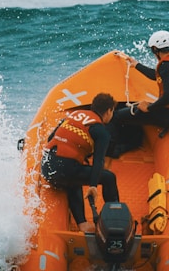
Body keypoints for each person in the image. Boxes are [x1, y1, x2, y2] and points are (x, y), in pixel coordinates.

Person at [41, 92, 119, 232]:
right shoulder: (102, 131)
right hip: (64, 172)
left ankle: (82, 223)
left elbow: (50, 139)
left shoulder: (74, 114)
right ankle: (114, 219)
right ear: (109, 111)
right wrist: (93, 186)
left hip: (47, 168)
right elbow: (98, 161)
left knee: (74, 176)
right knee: (109, 178)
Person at [115, 30, 169, 133]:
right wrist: (136, 65)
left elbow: (168, 97)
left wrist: (149, 107)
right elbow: (158, 76)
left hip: (168, 115)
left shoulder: (166, 66)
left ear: (155, 49)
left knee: (117, 116)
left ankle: (122, 146)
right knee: (134, 110)